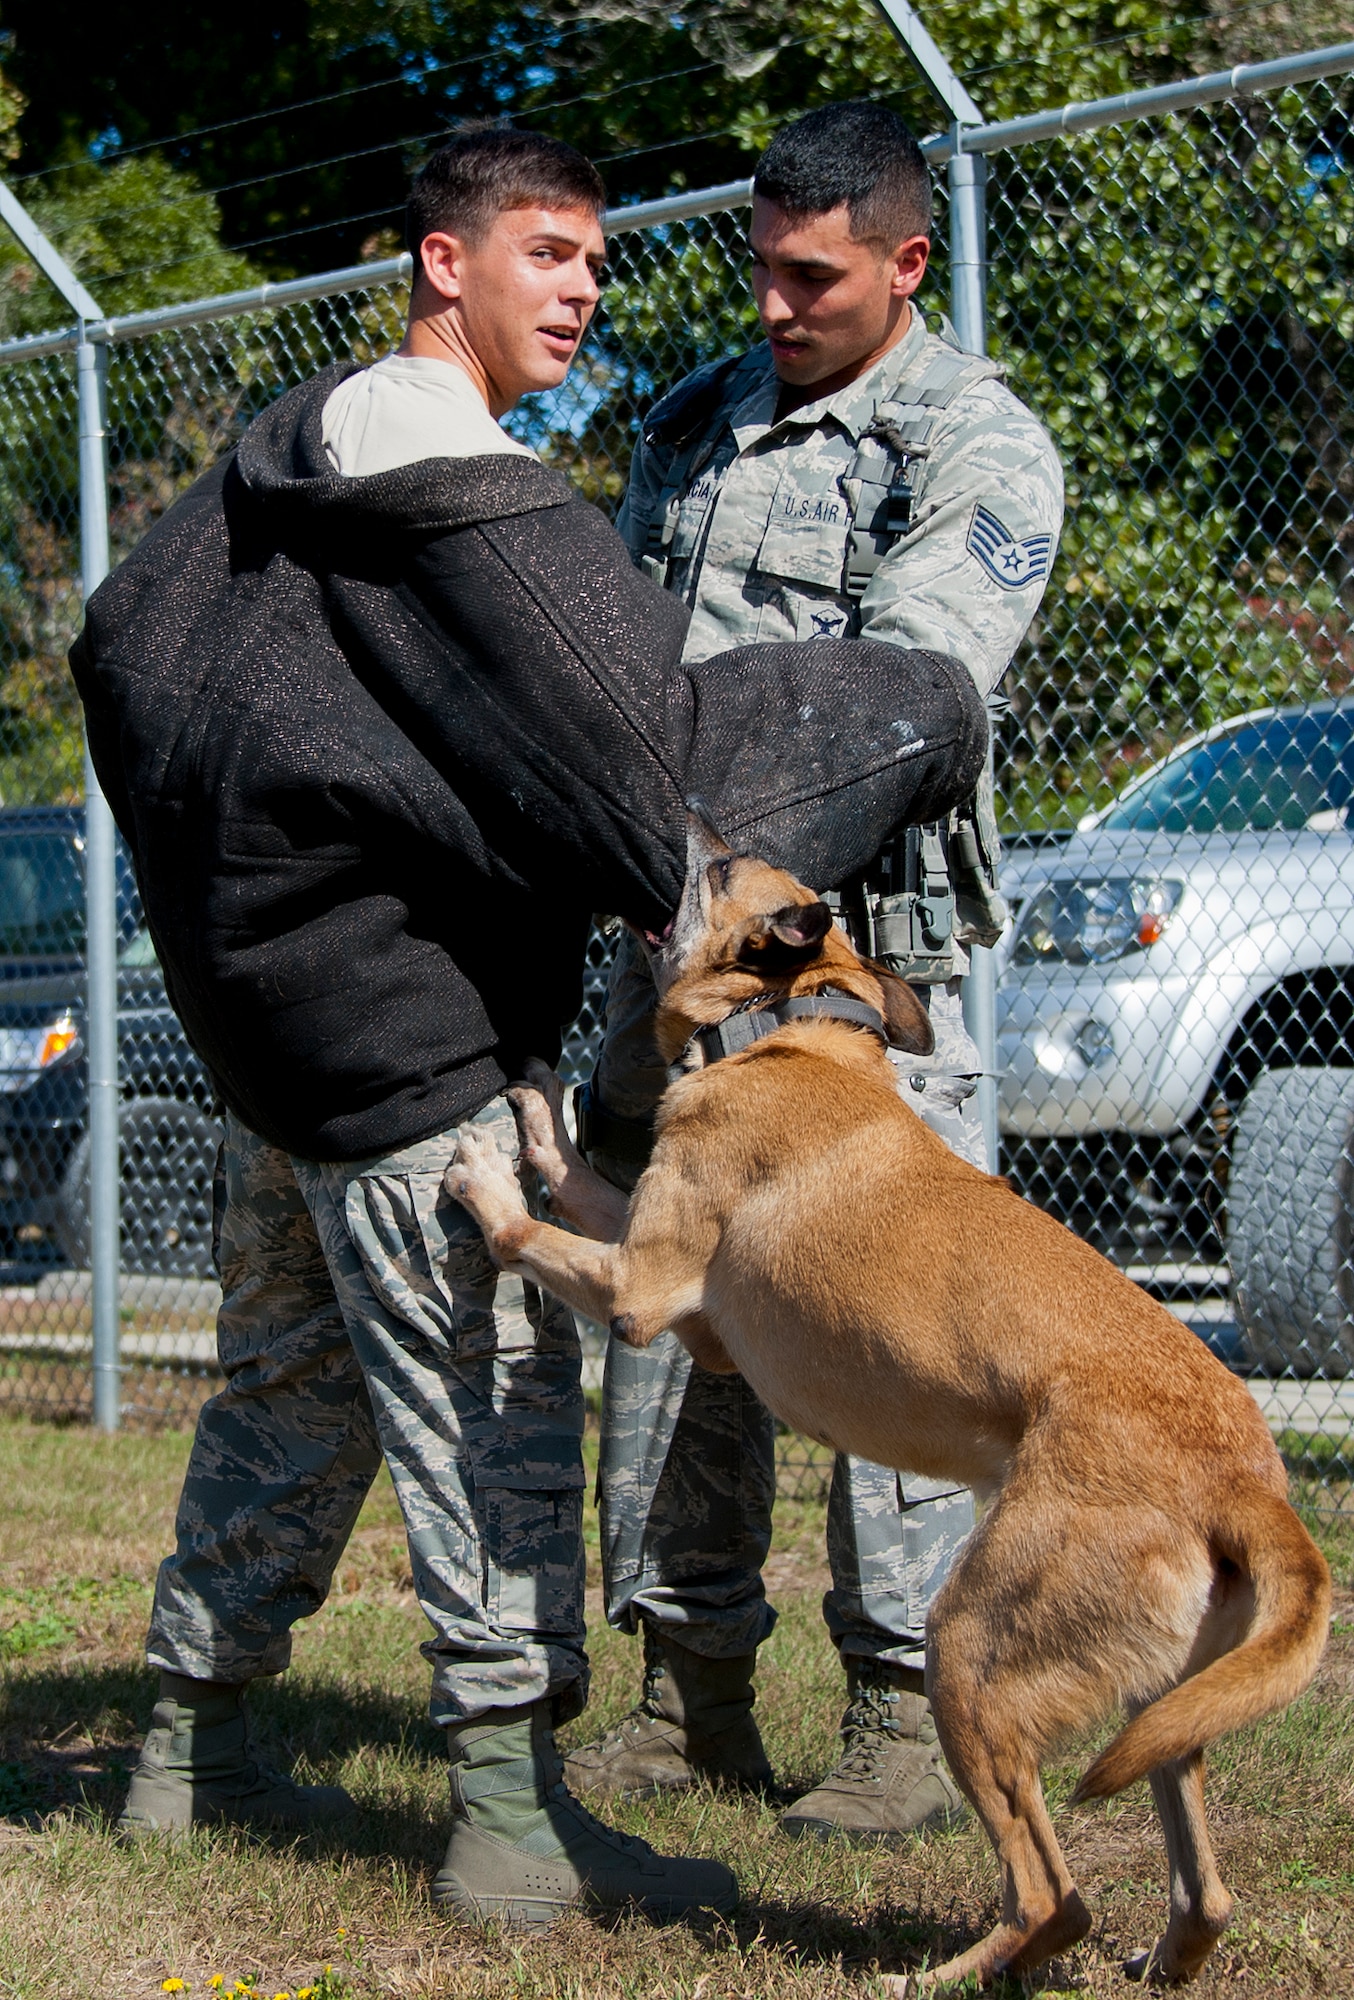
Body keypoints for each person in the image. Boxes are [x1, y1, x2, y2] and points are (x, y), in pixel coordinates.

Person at [72, 122, 986, 1928]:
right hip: (411, 1061)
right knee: (489, 1404)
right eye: (548, 254)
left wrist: (265, 894)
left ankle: (190, 1744)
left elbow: (121, 650)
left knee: (287, 1391)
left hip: (277, 1046)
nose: (583, 290)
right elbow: (655, 745)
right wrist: (916, 709)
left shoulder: (269, 476)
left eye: (594, 258)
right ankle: (510, 1825)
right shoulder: (440, 467)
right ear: (443, 264)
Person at [564, 101, 1065, 1846]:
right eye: (759, 268)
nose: (774, 304)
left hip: (859, 972)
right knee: (683, 1317)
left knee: (881, 1334)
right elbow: (620, 671)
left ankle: (896, 1719)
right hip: (682, 958)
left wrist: (730, 888)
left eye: (812, 275)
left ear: (903, 260)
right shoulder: (696, 420)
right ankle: (683, 1690)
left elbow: (900, 706)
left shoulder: (971, 444)